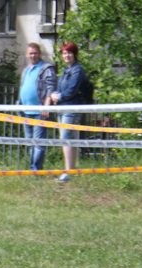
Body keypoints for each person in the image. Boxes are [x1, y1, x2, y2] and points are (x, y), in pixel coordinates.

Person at [50, 41, 88, 183]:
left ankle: (68, 172)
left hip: (71, 108)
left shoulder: (77, 70)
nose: (66, 56)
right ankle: (70, 170)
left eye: (69, 53)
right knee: (67, 138)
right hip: (63, 108)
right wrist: (55, 94)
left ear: (75, 54)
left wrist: (58, 96)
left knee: (66, 137)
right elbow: (61, 88)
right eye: (64, 53)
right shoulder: (66, 70)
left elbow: (71, 90)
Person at [18, 42, 57, 171]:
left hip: (40, 112)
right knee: (30, 143)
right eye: (30, 53)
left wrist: (46, 106)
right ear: (26, 55)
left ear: (39, 54)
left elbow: (50, 87)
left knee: (39, 143)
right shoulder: (26, 70)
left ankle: (35, 170)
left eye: (35, 53)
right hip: (26, 111)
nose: (33, 56)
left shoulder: (46, 68)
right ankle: (33, 169)